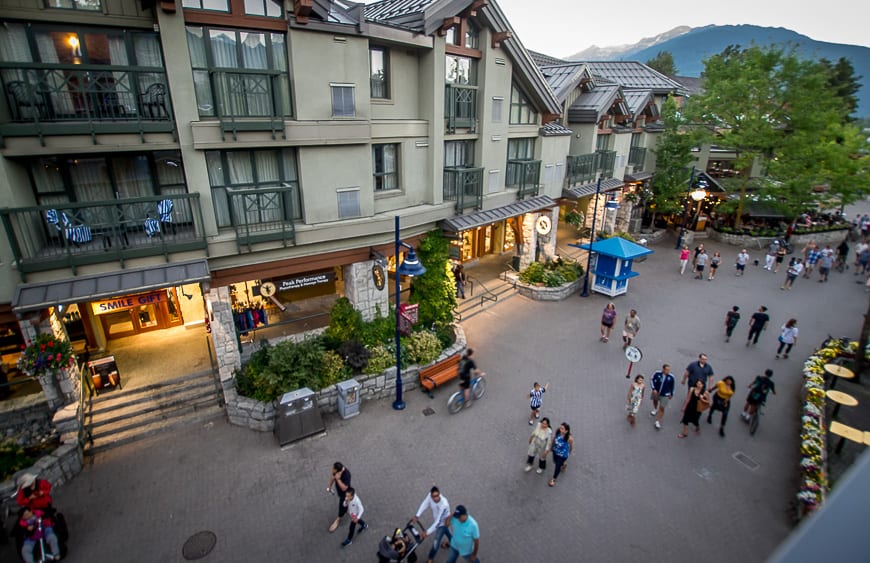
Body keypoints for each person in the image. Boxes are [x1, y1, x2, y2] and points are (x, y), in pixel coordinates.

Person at [411, 486, 451, 563]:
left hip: (443, 522)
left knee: (436, 542)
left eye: (437, 496)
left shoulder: (444, 504)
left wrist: (427, 532)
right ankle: (452, 542)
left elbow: (438, 521)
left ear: (439, 494)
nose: (435, 498)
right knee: (447, 532)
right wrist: (417, 515)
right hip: (438, 520)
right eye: (433, 496)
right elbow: (425, 504)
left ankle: (430, 559)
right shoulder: (430, 496)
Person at [327, 462, 352, 533]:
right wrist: (329, 486)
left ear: (337, 469)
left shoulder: (347, 475)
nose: (332, 469)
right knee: (345, 503)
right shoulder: (336, 472)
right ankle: (347, 507)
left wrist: (338, 479)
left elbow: (344, 488)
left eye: (333, 469)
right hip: (340, 492)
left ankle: (339, 518)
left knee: (342, 505)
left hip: (345, 494)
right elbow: (332, 477)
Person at [649, 364, 675, 430]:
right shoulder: (657, 373)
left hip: (665, 394)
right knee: (655, 401)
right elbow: (651, 380)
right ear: (663, 369)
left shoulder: (671, 377)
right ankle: (655, 409)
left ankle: (658, 421)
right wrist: (653, 388)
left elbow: (673, 386)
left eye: (669, 370)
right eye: (666, 370)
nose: (668, 371)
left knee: (662, 407)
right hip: (656, 392)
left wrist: (671, 394)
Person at [549, 422, 573, 487]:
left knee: (557, 466)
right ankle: (564, 465)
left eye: (562, 429)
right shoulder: (558, 432)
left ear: (566, 431)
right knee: (554, 461)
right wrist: (551, 447)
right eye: (560, 428)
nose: (560, 429)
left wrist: (569, 453)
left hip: (562, 455)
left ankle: (553, 479)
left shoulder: (569, 438)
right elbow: (554, 439)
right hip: (555, 451)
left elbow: (571, 447)